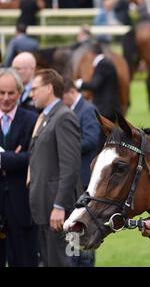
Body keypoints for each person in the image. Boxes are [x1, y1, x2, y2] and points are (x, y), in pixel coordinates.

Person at [28, 68, 82, 267]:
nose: (31, 93)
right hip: (45, 209)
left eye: (34, 89)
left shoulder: (64, 117)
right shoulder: (47, 117)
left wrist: (59, 206)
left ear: (49, 88)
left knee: (61, 262)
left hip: (57, 212)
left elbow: (70, 166)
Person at [0, 68, 39, 267]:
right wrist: (14, 157)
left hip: (22, 206)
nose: (6, 98)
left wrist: (3, 159)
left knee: (24, 260)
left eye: (11, 93)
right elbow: (23, 157)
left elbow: (35, 157)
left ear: (20, 92)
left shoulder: (32, 120)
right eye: (1, 93)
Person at [62, 78, 101, 267]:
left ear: (70, 92)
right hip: (75, 179)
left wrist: (65, 148)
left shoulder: (87, 109)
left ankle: (85, 263)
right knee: (74, 228)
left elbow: (92, 140)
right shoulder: (73, 109)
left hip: (85, 180)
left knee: (85, 228)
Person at [75, 42, 121, 122]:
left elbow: (95, 85)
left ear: (91, 54)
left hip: (106, 109)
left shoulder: (103, 65)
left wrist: (80, 83)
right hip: (108, 108)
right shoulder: (105, 63)